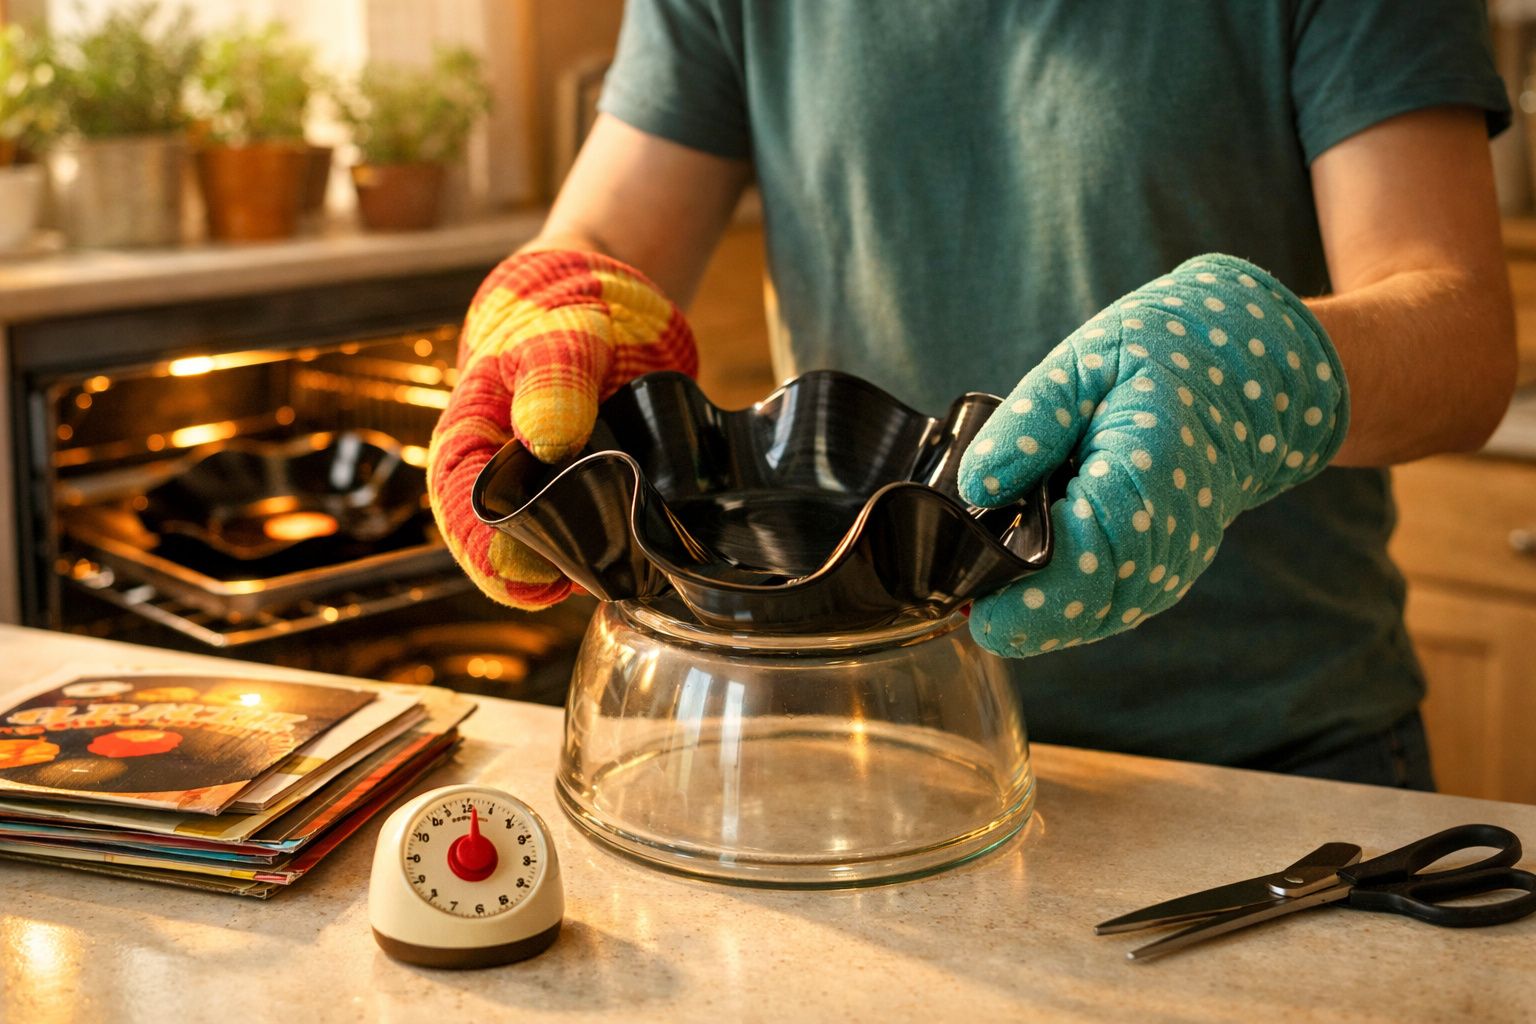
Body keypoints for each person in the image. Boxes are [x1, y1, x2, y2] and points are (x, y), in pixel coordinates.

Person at [428, 1, 1515, 789]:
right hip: (868, 748)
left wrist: (1247, 370)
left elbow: (1462, 337)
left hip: (1271, 765)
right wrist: (552, 311)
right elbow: (608, 234)